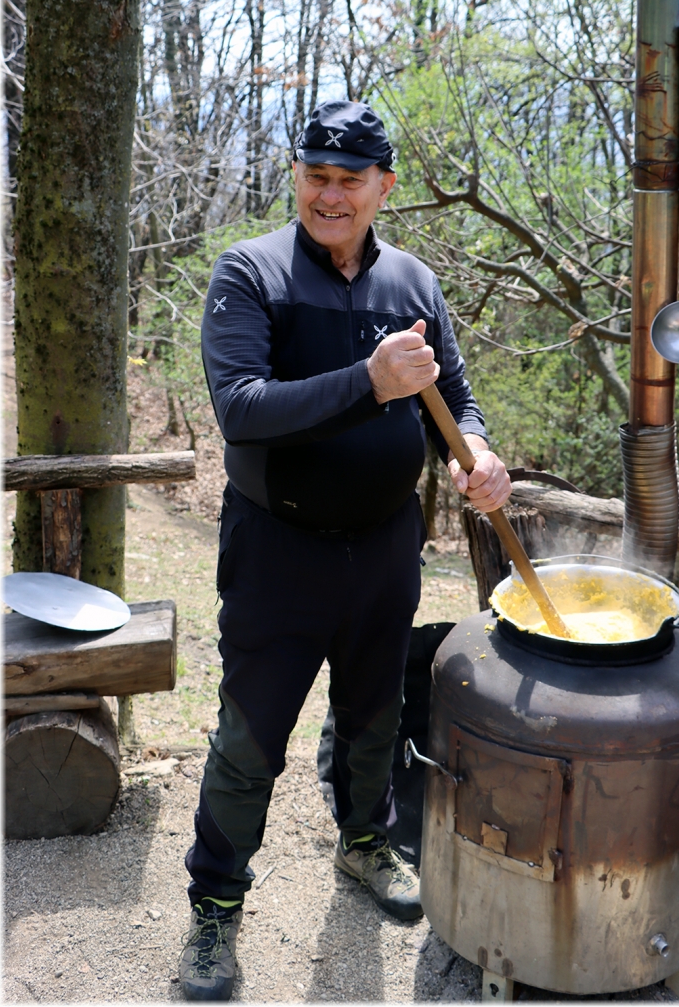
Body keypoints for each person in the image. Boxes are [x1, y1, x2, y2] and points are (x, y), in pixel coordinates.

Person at [179, 100, 511, 1001]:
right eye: (316, 176)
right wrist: (369, 381)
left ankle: (364, 843)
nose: (330, 195)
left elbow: (458, 400)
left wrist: (479, 455)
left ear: (383, 187)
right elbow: (241, 407)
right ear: (297, 176)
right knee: (251, 736)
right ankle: (215, 903)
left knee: (373, 717)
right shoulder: (251, 272)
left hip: (386, 546)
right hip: (277, 548)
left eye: (349, 180)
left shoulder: (414, 284)